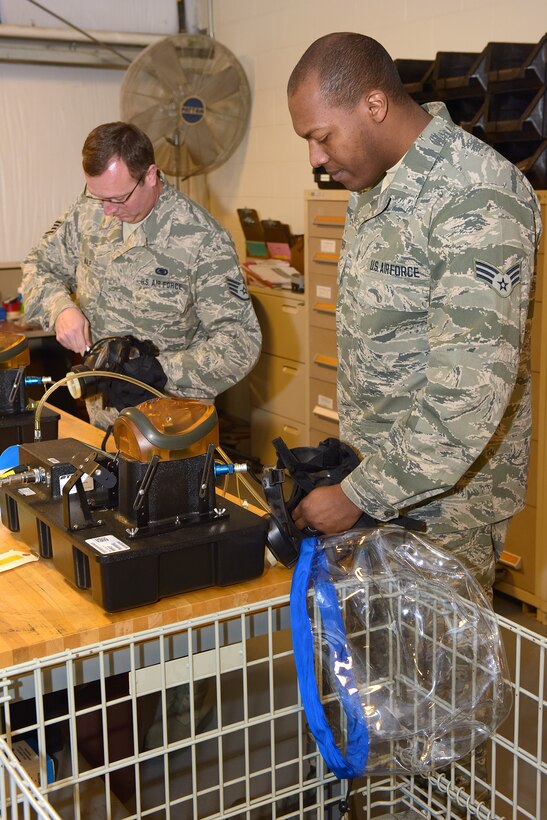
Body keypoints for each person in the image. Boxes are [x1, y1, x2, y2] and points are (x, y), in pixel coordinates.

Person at [287, 33, 542, 595]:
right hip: (381, 489)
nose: (316, 158)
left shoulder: (475, 195)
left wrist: (358, 496)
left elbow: (467, 395)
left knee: (437, 680)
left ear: (373, 106)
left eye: (322, 137)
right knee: (374, 674)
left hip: (443, 513)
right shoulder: (375, 185)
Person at [22, 121, 261, 429]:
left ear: (150, 176)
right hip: (102, 420)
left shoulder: (202, 239)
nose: (107, 211)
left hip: (172, 424)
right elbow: (37, 266)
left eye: (118, 199)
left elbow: (240, 341)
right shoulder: (88, 213)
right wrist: (61, 309)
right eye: (98, 197)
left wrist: (161, 371)